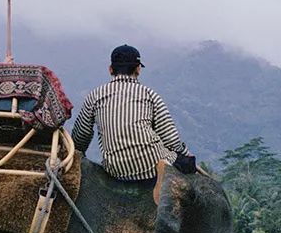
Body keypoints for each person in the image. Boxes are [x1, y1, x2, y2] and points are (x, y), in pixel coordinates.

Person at [71, 44, 197, 184]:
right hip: (153, 166)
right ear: (138, 69)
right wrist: (187, 156)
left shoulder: (94, 96)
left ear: (111, 69)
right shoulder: (150, 95)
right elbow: (171, 140)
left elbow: (80, 137)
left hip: (116, 170)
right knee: (187, 166)